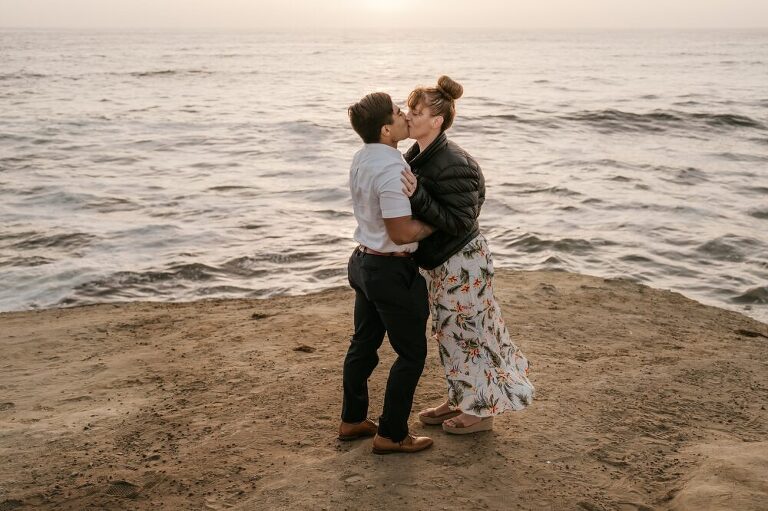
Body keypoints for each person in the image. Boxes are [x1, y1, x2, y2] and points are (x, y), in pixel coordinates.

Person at [401, 76, 535, 434]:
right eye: (409, 110)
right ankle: (460, 397)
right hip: (445, 261)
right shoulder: (421, 154)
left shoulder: (452, 161)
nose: (408, 116)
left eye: (416, 112)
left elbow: (461, 221)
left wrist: (417, 198)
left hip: (462, 261)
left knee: (470, 335)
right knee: (449, 333)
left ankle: (480, 413)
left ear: (437, 121)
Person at [338, 91, 435, 454]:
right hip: (389, 268)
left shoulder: (362, 157)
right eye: (397, 113)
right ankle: (391, 435)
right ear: (385, 130)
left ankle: (352, 420)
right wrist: (436, 225)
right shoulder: (392, 167)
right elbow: (401, 232)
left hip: (363, 262)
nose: (404, 116)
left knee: (363, 343)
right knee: (411, 354)